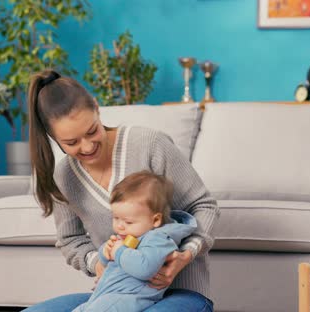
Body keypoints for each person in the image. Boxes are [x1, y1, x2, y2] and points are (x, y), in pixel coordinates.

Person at [22, 69, 219, 312]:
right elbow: (71, 240)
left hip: (182, 293)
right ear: (53, 137)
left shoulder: (149, 145)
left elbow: (204, 206)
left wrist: (185, 256)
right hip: (116, 297)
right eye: (71, 143)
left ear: (96, 107)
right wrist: (99, 264)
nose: (87, 146)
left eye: (92, 130)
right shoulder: (64, 177)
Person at [73, 171, 197, 312]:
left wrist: (119, 251)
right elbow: (108, 262)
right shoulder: (130, 235)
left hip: (129, 298)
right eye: (116, 218)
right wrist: (105, 252)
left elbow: (145, 268)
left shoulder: (159, 239)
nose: (119, 226)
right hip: (106, 294)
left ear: (155, 220)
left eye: (128, 221)